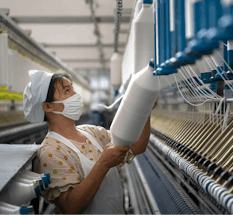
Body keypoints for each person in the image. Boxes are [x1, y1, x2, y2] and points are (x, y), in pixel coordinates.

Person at [23, 70, 156, 215]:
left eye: (73, 89)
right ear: (48, 106)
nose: (75, 95)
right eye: (67, 91)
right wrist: (103, 164)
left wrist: (145, 108)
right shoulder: (49, 153)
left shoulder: (93, 132)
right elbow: (71, 207)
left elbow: (136, 146)